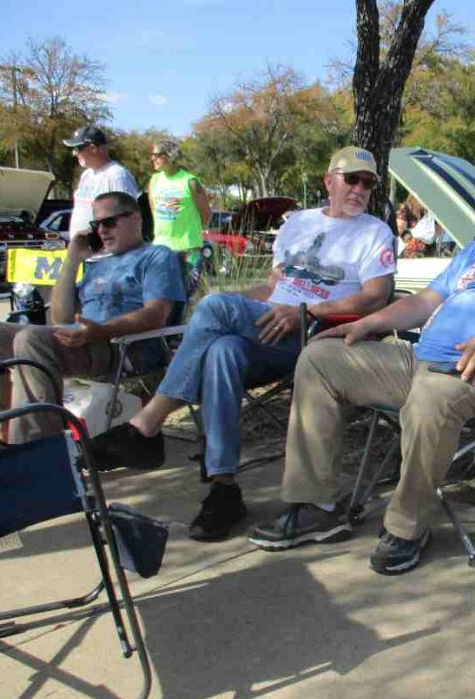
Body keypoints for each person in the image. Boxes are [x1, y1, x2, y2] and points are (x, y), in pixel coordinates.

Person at [248, 158, 475, 576]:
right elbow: (424, 302)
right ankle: (316, 506)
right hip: (421, 361)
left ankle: (407, 527)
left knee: (432, 395)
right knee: (320, 358)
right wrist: (367, 324)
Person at [91, 146, 396, 542]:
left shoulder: (374, 232)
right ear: (328, 181)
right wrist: (226, 304)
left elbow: (375, 297)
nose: (359, 189)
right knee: (222, 349)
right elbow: (273, 288)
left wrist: (306, 311)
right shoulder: (297, 224)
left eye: (367, 183)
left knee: (215, 308)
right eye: (351, 179)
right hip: (268, 327)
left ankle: (147, 425)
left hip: (317, 334)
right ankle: (224, 489)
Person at [0, 192, 185, 448]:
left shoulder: (157, 256)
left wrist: (101, 330)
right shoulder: (99, 265)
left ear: (136, 219)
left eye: (109, 222)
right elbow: (61, 317)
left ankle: (37, 448)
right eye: (96, 225)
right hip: (82, 339)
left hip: (123, 347)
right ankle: (0, 432)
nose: (102, 231)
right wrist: (72, 259)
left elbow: (156, 314)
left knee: (31, 339)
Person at [148, 139, 212, 282]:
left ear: (171, 155)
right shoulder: (154, 180)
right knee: (164, 292)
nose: (153, 158)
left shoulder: (190, 181)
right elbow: (154, 210)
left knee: (189, 291)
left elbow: (206, 213)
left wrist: (194, 231)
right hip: (161, 248)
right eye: (152, 155)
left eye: (157, 155)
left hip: (187, 249)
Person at [63, 126, 140, 237]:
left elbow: (128, 218)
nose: (74, 153)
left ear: (93, 148)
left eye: (77, 148)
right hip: (81, 246)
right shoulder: (86, 175)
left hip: (104, 247)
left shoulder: (117, 175)